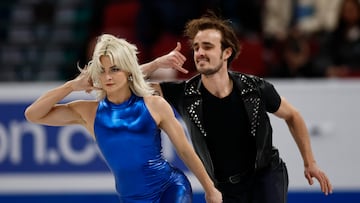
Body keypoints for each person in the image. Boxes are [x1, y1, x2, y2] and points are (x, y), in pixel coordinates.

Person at [141, 12, 333, 203]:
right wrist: (156, 64)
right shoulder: (184, 94)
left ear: (227, 52)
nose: (199, 53)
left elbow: (293, 115)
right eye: (196, 47)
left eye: (207, 47)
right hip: (224, 188)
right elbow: (122, 83)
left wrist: (310, 163)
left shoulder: (255, 88)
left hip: (265, 176)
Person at [24, 34, 222, 203]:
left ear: (128, 70)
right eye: (102, 71)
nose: (108, 76)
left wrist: (210, 188)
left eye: (115, 69)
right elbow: (33, 114)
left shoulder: (154, 104)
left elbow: (184, 150)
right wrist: (70, 86)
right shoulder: (89, 111)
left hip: (170, 189)